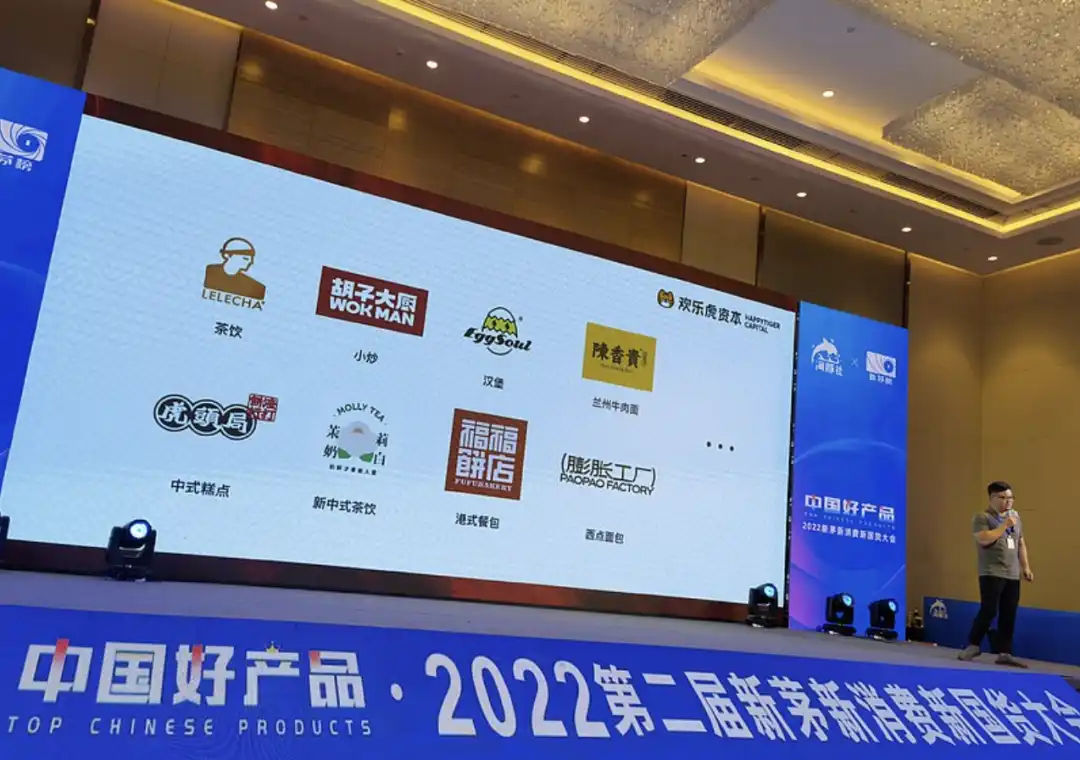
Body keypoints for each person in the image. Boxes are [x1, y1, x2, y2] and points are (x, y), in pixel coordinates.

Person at [958, 481, 1035, 667]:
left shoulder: (1015, 518)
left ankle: (1004, 652)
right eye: (1003, 497)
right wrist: (1004, 525)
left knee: (1009, 613)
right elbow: (983, 539)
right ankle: (973, 645)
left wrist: (1026, 567)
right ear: (992, 498)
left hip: (1012, 573)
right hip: (991, 571)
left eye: (1011, 498)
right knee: (989, 609)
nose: (1008, 501)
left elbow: (1020, 543)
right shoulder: (982, 517)